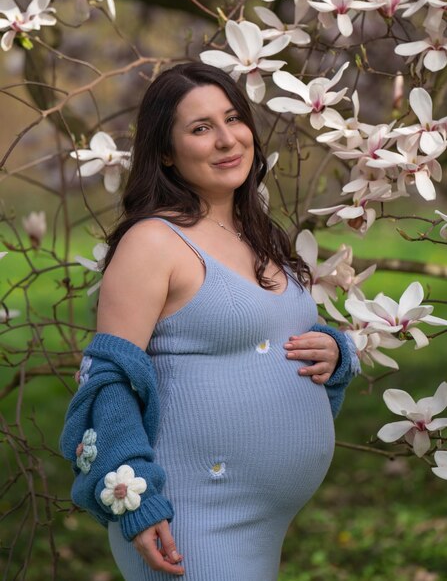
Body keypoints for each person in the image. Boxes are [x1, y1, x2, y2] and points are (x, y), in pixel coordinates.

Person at [61, 62, 359, 580]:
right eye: (201, 129)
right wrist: (139, 504)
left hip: (263, 519)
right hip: (190, 517)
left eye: (233, 119)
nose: (227, 140)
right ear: (165, 153)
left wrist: (334, 352)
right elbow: (108, 382)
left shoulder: (258, 232)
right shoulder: (153, 242)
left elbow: (268, 334)